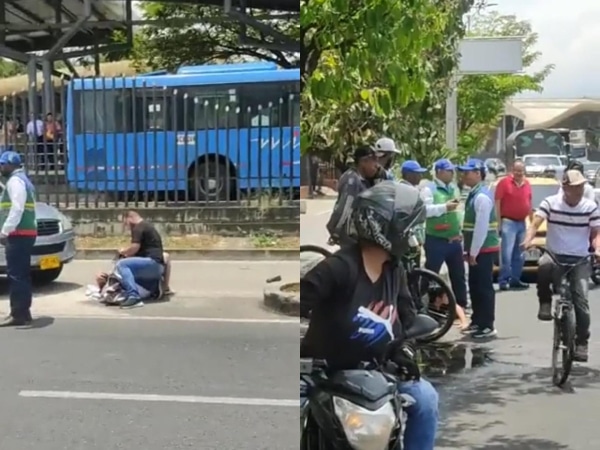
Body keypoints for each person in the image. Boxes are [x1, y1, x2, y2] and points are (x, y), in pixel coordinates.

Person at [302, 181, 438, 450]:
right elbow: (300, 300)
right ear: (389, 227)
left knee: (427, 399)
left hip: (377, 376)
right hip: (324, 375)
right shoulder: (338, 268)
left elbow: (407, 322)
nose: (413, 235)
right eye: (409, 227)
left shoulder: (394, 271)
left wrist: (405, 351)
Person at [523, 169, 600, 362]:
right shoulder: (551, 203)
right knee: (543, 266)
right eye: (575, 187)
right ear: (565, 188)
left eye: (582, 186)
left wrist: (597, 248)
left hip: (580, 258)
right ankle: (545, 302)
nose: (579, 190)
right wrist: (528, 239)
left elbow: (596, 233)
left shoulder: (590, 207)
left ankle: (582, 342)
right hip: (555, 254)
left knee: (581, 301)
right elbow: (535, 223)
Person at [458, 159, 499, 339]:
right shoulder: (474, 194)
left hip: (483, 250)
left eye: (467, 173)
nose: (464, 176)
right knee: (474, 286)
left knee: (483, 288)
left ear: (478, 173)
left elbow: (481, 228)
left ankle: (487, 324)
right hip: (476, 250)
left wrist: (473, 252)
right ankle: (477, 321)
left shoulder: (481, 197)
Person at [420, 159, 467, 313]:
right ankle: (424, 305)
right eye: (449, 171)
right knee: (431, 274)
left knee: (458, 275)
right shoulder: (429, 189)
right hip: (436, 239)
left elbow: (459, 211)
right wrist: (444, 207)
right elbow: (425, 210)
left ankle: (461, 306)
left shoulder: (454, 188)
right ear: (439, 172)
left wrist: (460, 230)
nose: (452, 174)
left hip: (454, 239)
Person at [0, 151, 37, 326]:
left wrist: (4, 231)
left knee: (16, 275)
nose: (1, 168)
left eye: (2, 164)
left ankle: (18, 314)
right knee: (21, 274)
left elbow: (17, 209)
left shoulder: (15, 182)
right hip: (25, 233)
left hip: (19, 234)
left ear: (10, 164)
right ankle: (23, 312)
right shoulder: (23, 180)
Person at [326, 145, 380, 246]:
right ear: (363, 161)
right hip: (349, 232)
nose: (377, 166)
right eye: (374, 161)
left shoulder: (363, 179)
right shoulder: (352, 180)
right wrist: (336, 231)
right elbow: (345, 207)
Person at [494, 160, 531, 290]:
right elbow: (497, 203)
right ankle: (503, 280)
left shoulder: (527, 184)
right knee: (506, 254)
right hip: (508, 222)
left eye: (521, 171)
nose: (519, 173)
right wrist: (498, 223)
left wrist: (529, 221)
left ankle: (515, 279)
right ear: (512, 170)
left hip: (522, 222)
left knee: (520, 254)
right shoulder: (504, 183)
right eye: (516, 170)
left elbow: (529, 202)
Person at [116, 210, 166, 308]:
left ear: (129, 218)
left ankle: (133, 296)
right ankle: (154, 288)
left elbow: (134, 248)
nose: (126, 226)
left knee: (122, 264)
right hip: (158, 267)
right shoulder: (148, 226)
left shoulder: (138, 228)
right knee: (129, 268)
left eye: (125, 223)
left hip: (150, 264)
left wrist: (123, 251)